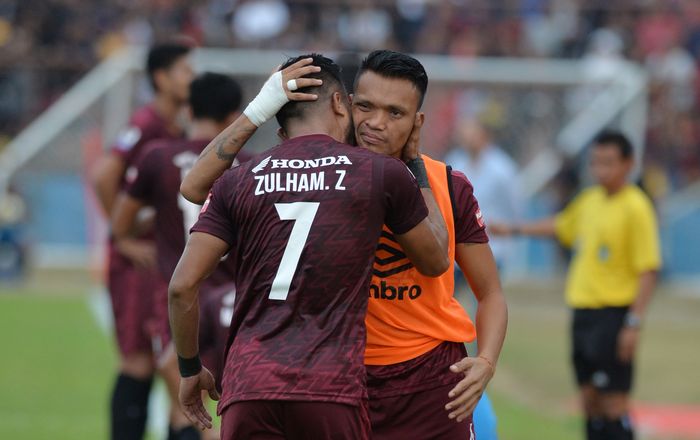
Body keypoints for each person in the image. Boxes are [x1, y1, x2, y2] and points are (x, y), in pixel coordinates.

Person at [180, 49, 507, 440]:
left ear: (418, 121)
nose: (376, 123)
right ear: (345, 104)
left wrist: (486, 360)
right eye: (365, 106)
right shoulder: (313, 171)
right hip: (337, 381)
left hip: (428, 380)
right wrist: (266, 103)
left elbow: (490, 292)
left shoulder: (449, 186)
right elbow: (195, 187)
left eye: (395, 113)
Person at [490, 131, 661, 440]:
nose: (601, 170)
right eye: (596, 162)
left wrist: (633, 323)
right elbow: (561, 225)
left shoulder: (637, 207)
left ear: (628, 164)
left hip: (613, 314)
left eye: (609, 163)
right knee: (589, 400)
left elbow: (648, 269)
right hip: (583, 315)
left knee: (613, 402)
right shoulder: (591, 200)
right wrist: (514, 229)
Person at [110, 72, 244, 440]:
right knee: (234, 402)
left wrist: (132, 238)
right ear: (235, 115)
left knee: (184, 402)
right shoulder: (250, 163)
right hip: (236, 300)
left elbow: (121, 222)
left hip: (180, 298)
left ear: (189, 109)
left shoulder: (158, 156)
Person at [90, 42, 194, 440]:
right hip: (137, 261)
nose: (191, 77)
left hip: (159, 259)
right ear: (161, 78)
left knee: (162, 357)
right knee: (137, 359)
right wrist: (122, 237)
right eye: (184, 70)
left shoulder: (173, 126)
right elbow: (104, 176)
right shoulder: (147, 123)